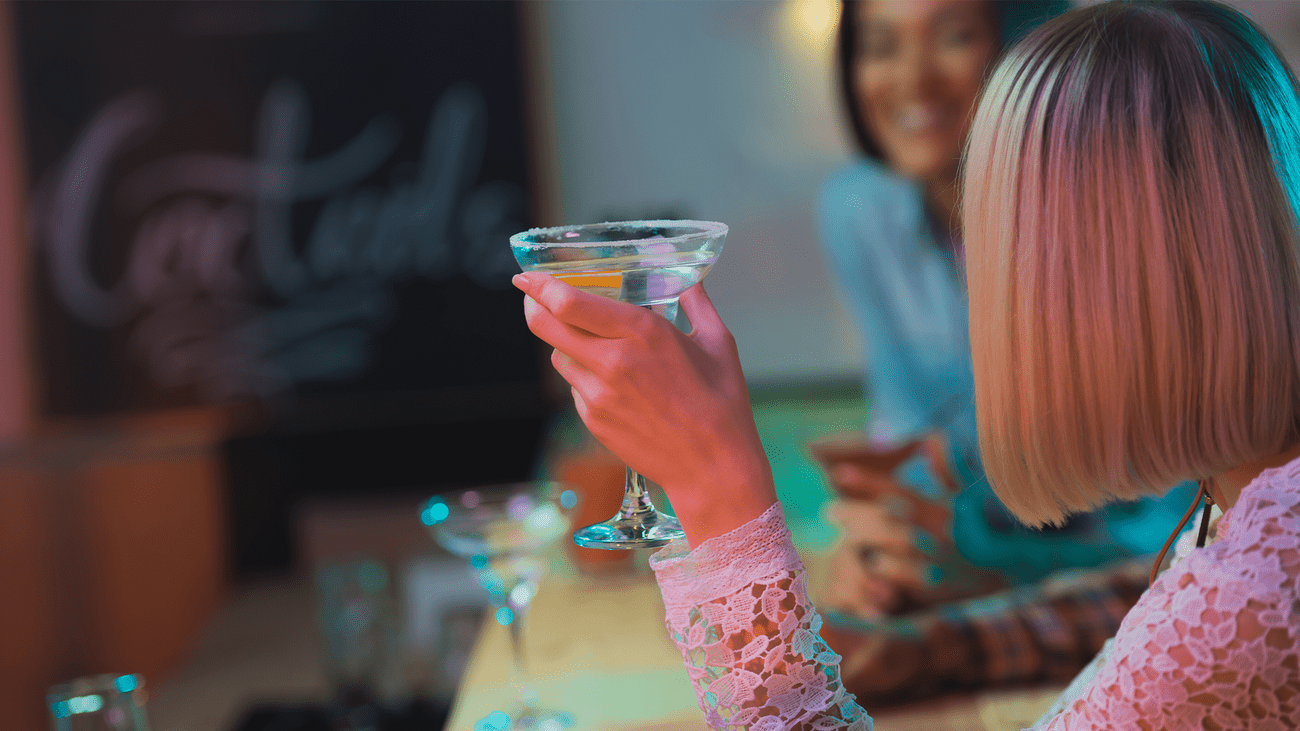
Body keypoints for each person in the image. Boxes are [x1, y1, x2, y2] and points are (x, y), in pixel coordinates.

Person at [515, 0, 1300, 728]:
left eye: (999, 246)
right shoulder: (1244, 516)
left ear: (1120, 278)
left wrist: (719, 489)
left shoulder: (1253, 589)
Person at [816, 0, 1196, 622]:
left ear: (1029, 46)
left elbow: (1193, 547)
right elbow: (913, 440)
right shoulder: (860, 213)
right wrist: (891, 545)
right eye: (882, 46)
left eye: (953, 37)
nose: (913, 81)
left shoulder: (1129, 221)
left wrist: (993, 569)